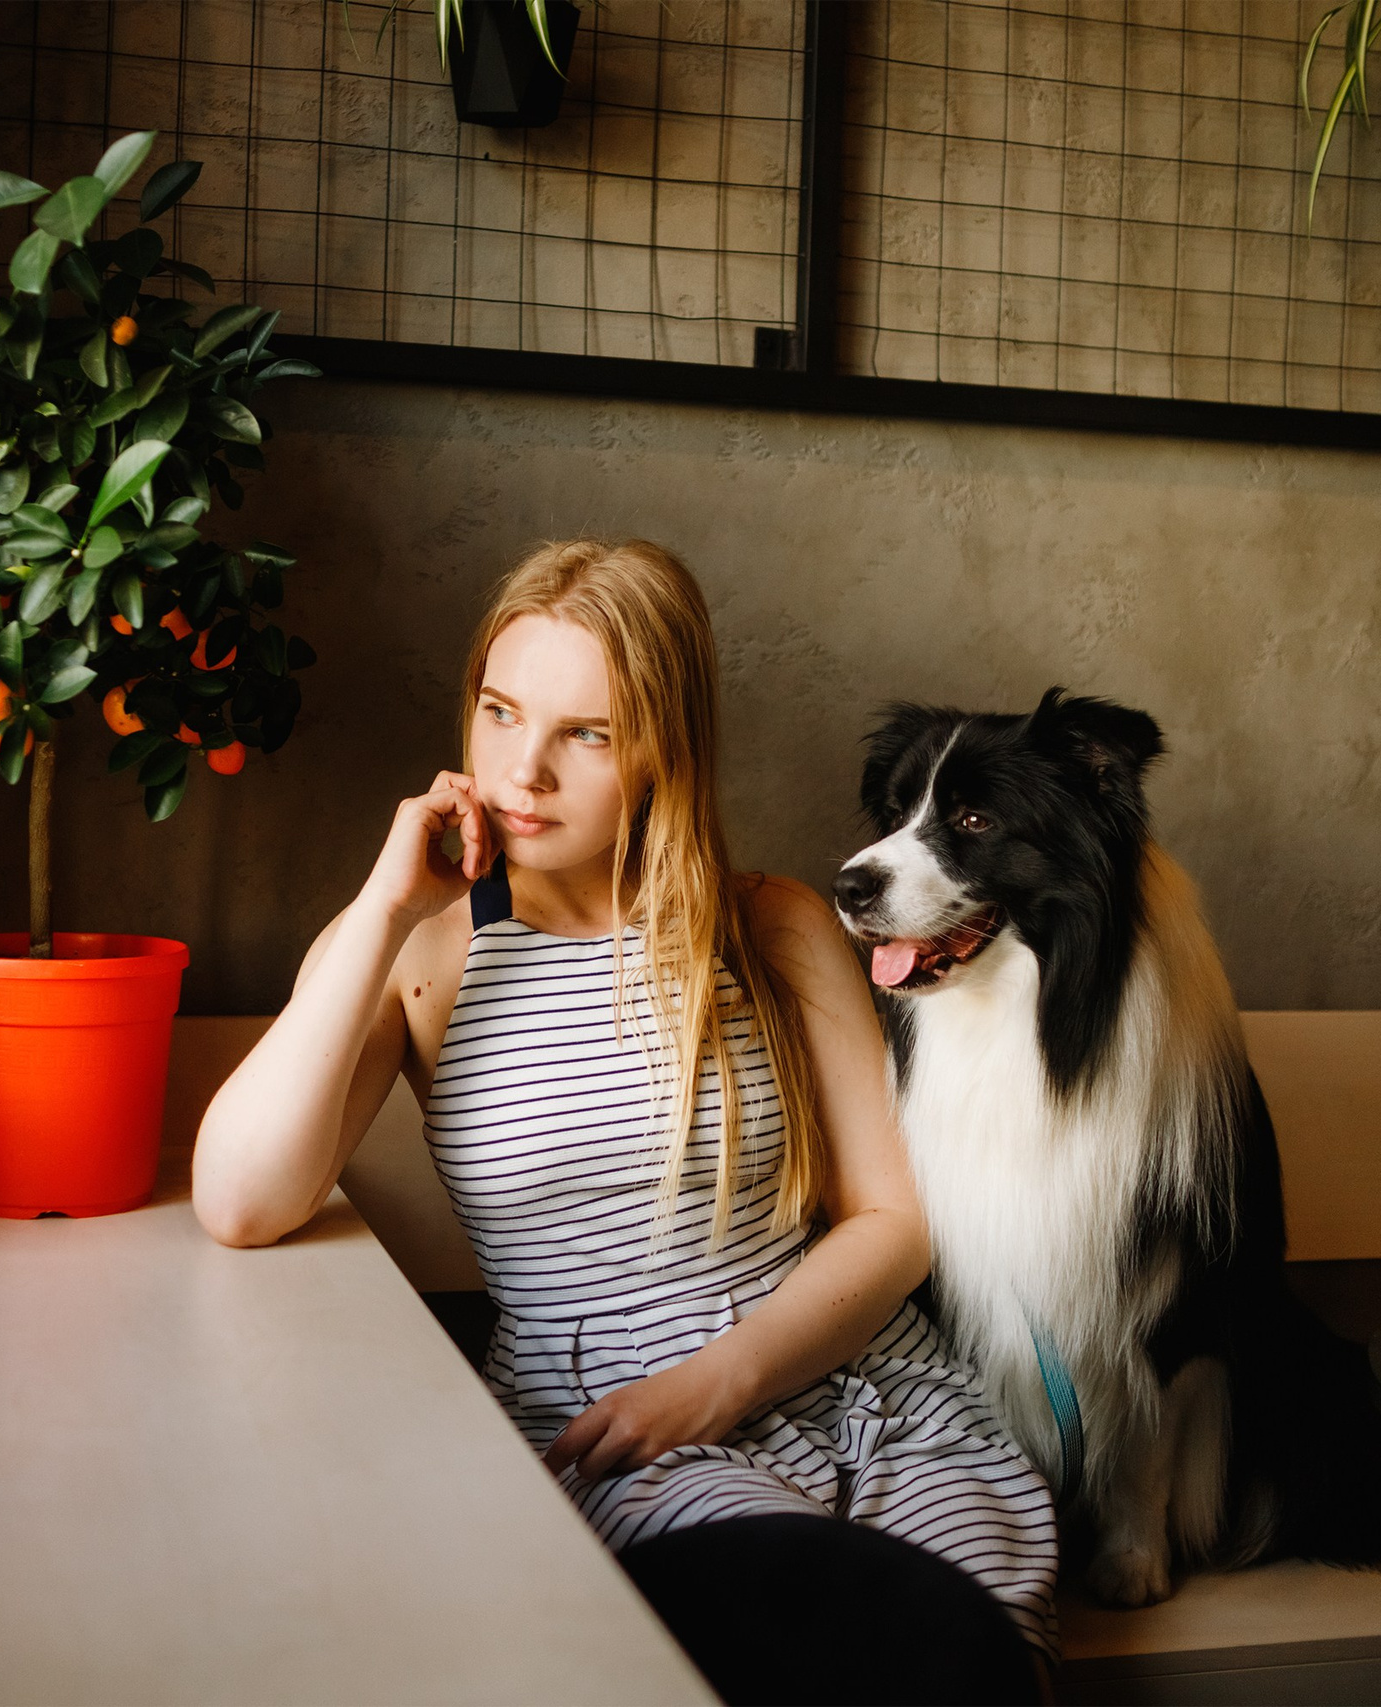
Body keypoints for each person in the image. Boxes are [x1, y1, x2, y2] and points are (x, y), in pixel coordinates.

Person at [195, 540, 1058, 1694]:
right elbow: (241, 1202)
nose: (524, 771)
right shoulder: (419, 954)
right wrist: (385, 905)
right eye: (500, 713)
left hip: (876, 1391)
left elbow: (892, 1222)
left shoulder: (771, 925)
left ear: (662, 749)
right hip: (613, 1427)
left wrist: (726, 1377)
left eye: (586, 734)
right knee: (807, 1638)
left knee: (977, 1657)